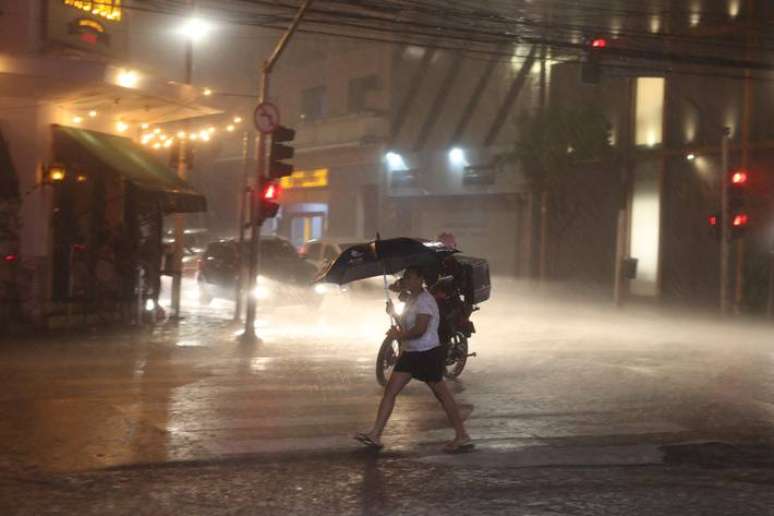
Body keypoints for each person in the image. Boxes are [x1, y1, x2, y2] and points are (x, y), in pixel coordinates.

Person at [355, 266, 472, 452]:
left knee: (443, 395)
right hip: (411, 353)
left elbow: (420, 330)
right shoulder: (412, 299)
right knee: (390, 392)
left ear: (420, 279)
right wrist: (393, 314)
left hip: (427, 353)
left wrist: (398, 336)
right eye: (406, 278)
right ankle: (375, 434)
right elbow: (405, 325)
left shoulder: (425, 301)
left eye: (410, 278)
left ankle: (462, 435)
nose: (406, 281)